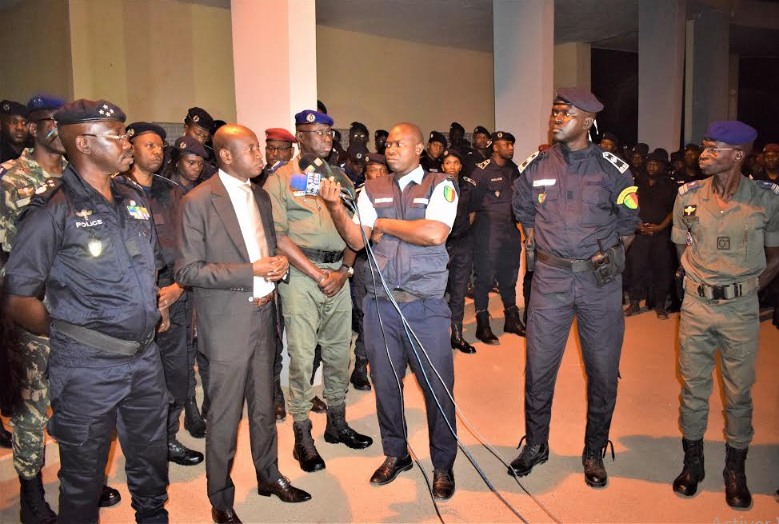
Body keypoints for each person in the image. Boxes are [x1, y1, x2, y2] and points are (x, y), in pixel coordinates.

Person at [4, 98, 169, 523]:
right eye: (116, 134)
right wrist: (66, 331)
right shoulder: (52, 209)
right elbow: (19, 297)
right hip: (87, 367)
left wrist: (150, 306)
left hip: (145, 359)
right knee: (82, 483)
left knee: (151, 472)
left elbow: (147, 264)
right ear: (84, 143)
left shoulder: (132, 198)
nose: (127, 141)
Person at [175, 124, 311, 523]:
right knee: (224, 416)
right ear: (227, 155)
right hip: (226, 323)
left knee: (265, 406)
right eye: (251, 148)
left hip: (263, 314)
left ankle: (269, 475)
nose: (260, 154)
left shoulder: (262, 197)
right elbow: (187, 270)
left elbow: (267, 249)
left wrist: (278, 265)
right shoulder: (199, 202)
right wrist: (250, 269)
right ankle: (221, 499)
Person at [319, 122, 459, 500]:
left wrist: (382, 224)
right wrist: (336, 207)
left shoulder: (440, 185)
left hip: (425, 305)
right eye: (390, 143)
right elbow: (355, 238)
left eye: (400, 143)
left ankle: (443, 463)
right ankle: (396, 454)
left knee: (437, 389)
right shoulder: (372, 188)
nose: (391, 148)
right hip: (382, 303)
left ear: (419, 149)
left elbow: (435, 233)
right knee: (385, 386)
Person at [511, 88, 640, 488]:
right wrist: (534, 243)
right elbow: (523, 211)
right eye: (554, 112)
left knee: (602, 371)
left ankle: (594, 449)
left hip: (597, 283)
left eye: (564, 113)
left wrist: (607, 257)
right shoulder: (536, 165)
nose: (556, 119)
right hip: (550, 280)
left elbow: (628, 223)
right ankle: (536, 444)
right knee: (538, 367)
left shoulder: (612, 168)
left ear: (587, 121)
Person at [670, 121, 779, 508]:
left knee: (738, 392)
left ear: (738, 155)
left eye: (714, 149)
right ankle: (693, 463)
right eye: (704, 147)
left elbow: (774, 256)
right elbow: (680, 245)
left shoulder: (766, 199)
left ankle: (736, 469)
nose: (704, 154)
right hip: (696, 306)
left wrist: (744, 289)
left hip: (740, 309)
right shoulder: (686, 194)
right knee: (694, 387)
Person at [264, 109, 372, 474]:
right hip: (301, 276)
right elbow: (277, 236)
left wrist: (343, 270)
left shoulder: (339, 176)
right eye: (320, 132)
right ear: (301, 135)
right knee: (303, 356)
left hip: (338, 275)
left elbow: (355, 229)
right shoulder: (281, 179)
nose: (328, 138)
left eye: (330, 132)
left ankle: (337, 423)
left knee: (341, 351)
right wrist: (315, 273)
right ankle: (302, 434)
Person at [124, 122, 204, 466]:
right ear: (131, 149)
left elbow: (190, 243)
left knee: (177, 372)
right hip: (135, 298)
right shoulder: (114, 192)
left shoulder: (172, 192)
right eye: (148, 145)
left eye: (160, 146)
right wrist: (155, 294)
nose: (156, 151)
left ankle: (168, 439)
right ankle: (142, 449)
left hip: (176, 289)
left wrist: (178, 287)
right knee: (137, 380)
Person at [470, 131, 526, 344]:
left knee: (509, 275)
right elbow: (472, 204)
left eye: (512, 144)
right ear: (495, 147)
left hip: (510, 231)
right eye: (506, 144)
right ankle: (482, 323)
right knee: (484, 277)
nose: (510, 148)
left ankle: (511, 318)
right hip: (488, 231)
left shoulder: (513, 170)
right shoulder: (481, 172)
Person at [349, 152, 390, 391]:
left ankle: (381, 364)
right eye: (374, 170)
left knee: (387, 317)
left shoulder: (395, 196)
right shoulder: (358, 196)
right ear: (366, 173)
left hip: (391, 264)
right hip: (366, 263)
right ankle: (359, 368)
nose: (379, 175)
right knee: (367, 318)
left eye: (383, 170)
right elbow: (350, 234)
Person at [624, 150, 677, 319]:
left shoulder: (671, 185)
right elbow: (629, 204)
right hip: (639, 233)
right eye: (649, 163)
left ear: (663, 166)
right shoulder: (637, 182)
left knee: (661, 270)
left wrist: (660, 227)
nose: (651, 167)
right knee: (636, 268)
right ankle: (634, 303)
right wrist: (637, 224)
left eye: (655, 164)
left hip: (661, 234)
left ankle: (660, 305)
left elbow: (674, 210)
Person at [441, 148, 479, 354]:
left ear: (461, 166)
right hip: (440, 245)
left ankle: (456, 334)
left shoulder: (469, 187)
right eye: (448, 163)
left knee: (459, 289)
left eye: (456, 163)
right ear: (442, 166)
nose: (452, 167)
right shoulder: (435, 186)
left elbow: (471, 215)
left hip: (462, 244)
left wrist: (460, 233)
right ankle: (437, 334)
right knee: (437, 291)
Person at [162, 107, 217, 180]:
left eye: (205, 137)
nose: (200, 140)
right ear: (185, 128)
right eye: (197, 134)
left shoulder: (210, 160)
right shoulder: (166, 156)